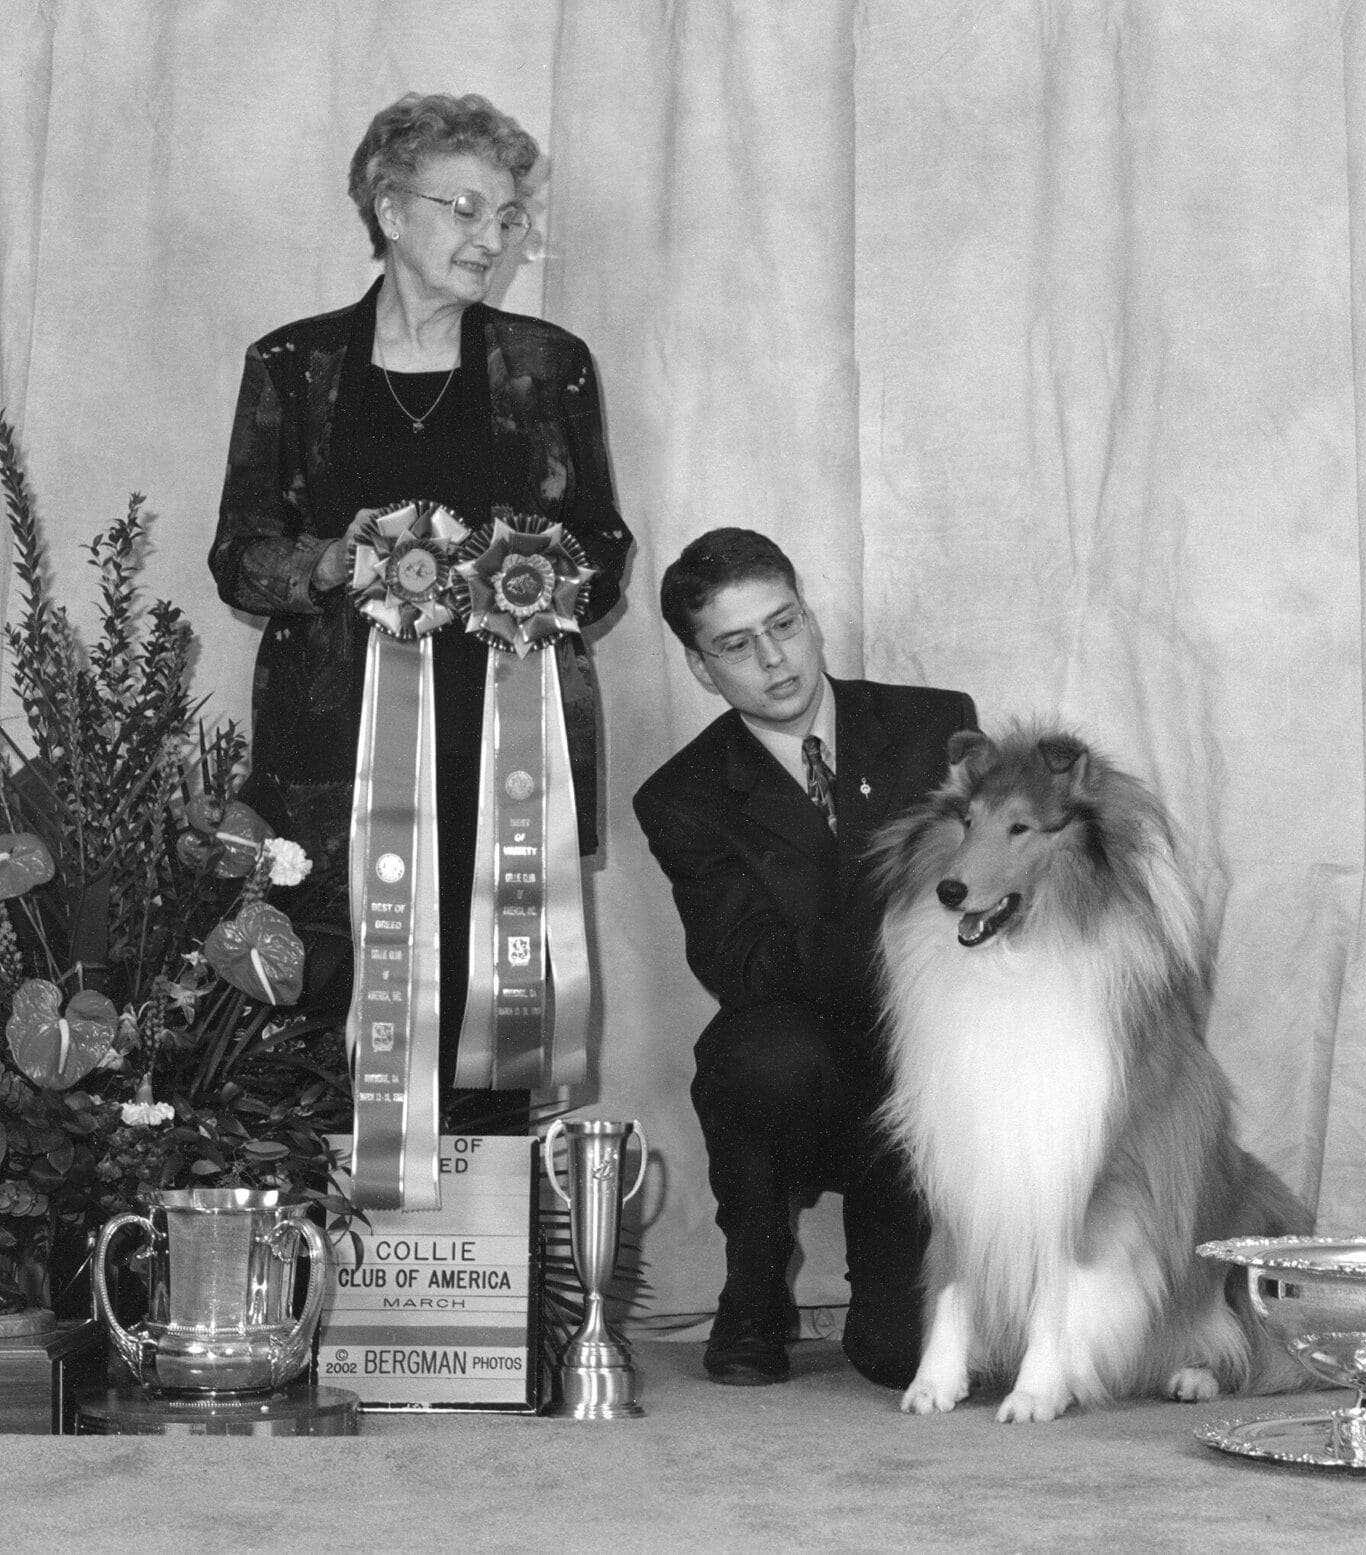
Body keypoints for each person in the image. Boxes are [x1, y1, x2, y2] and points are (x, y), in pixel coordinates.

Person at [210, 93, 631, 1129]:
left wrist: (528, 578)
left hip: (506, 757)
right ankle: (337, 1280)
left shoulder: (549, 363)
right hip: (330, 760)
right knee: (325, 1015)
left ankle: (473, 1280)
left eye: (507, 217)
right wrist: (334, 563)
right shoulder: (291, 365)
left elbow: (606, 550)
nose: (493, 239)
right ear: (391, 211)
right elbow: (239, 556)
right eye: (467, 209)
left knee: (493, 1027)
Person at [634, 529, 977, 1387]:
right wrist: (901, 905)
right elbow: (743, 968)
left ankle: (887, 1272)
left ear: (812, 617)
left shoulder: (936, 725)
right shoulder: (682, 795)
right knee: (757, 1055)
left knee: (899, 1357)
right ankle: (752, 1291)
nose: (774, 659)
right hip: (804, 1066)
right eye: (736, 645)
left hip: (928, 1066)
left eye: (784, 624)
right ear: (701, 669)